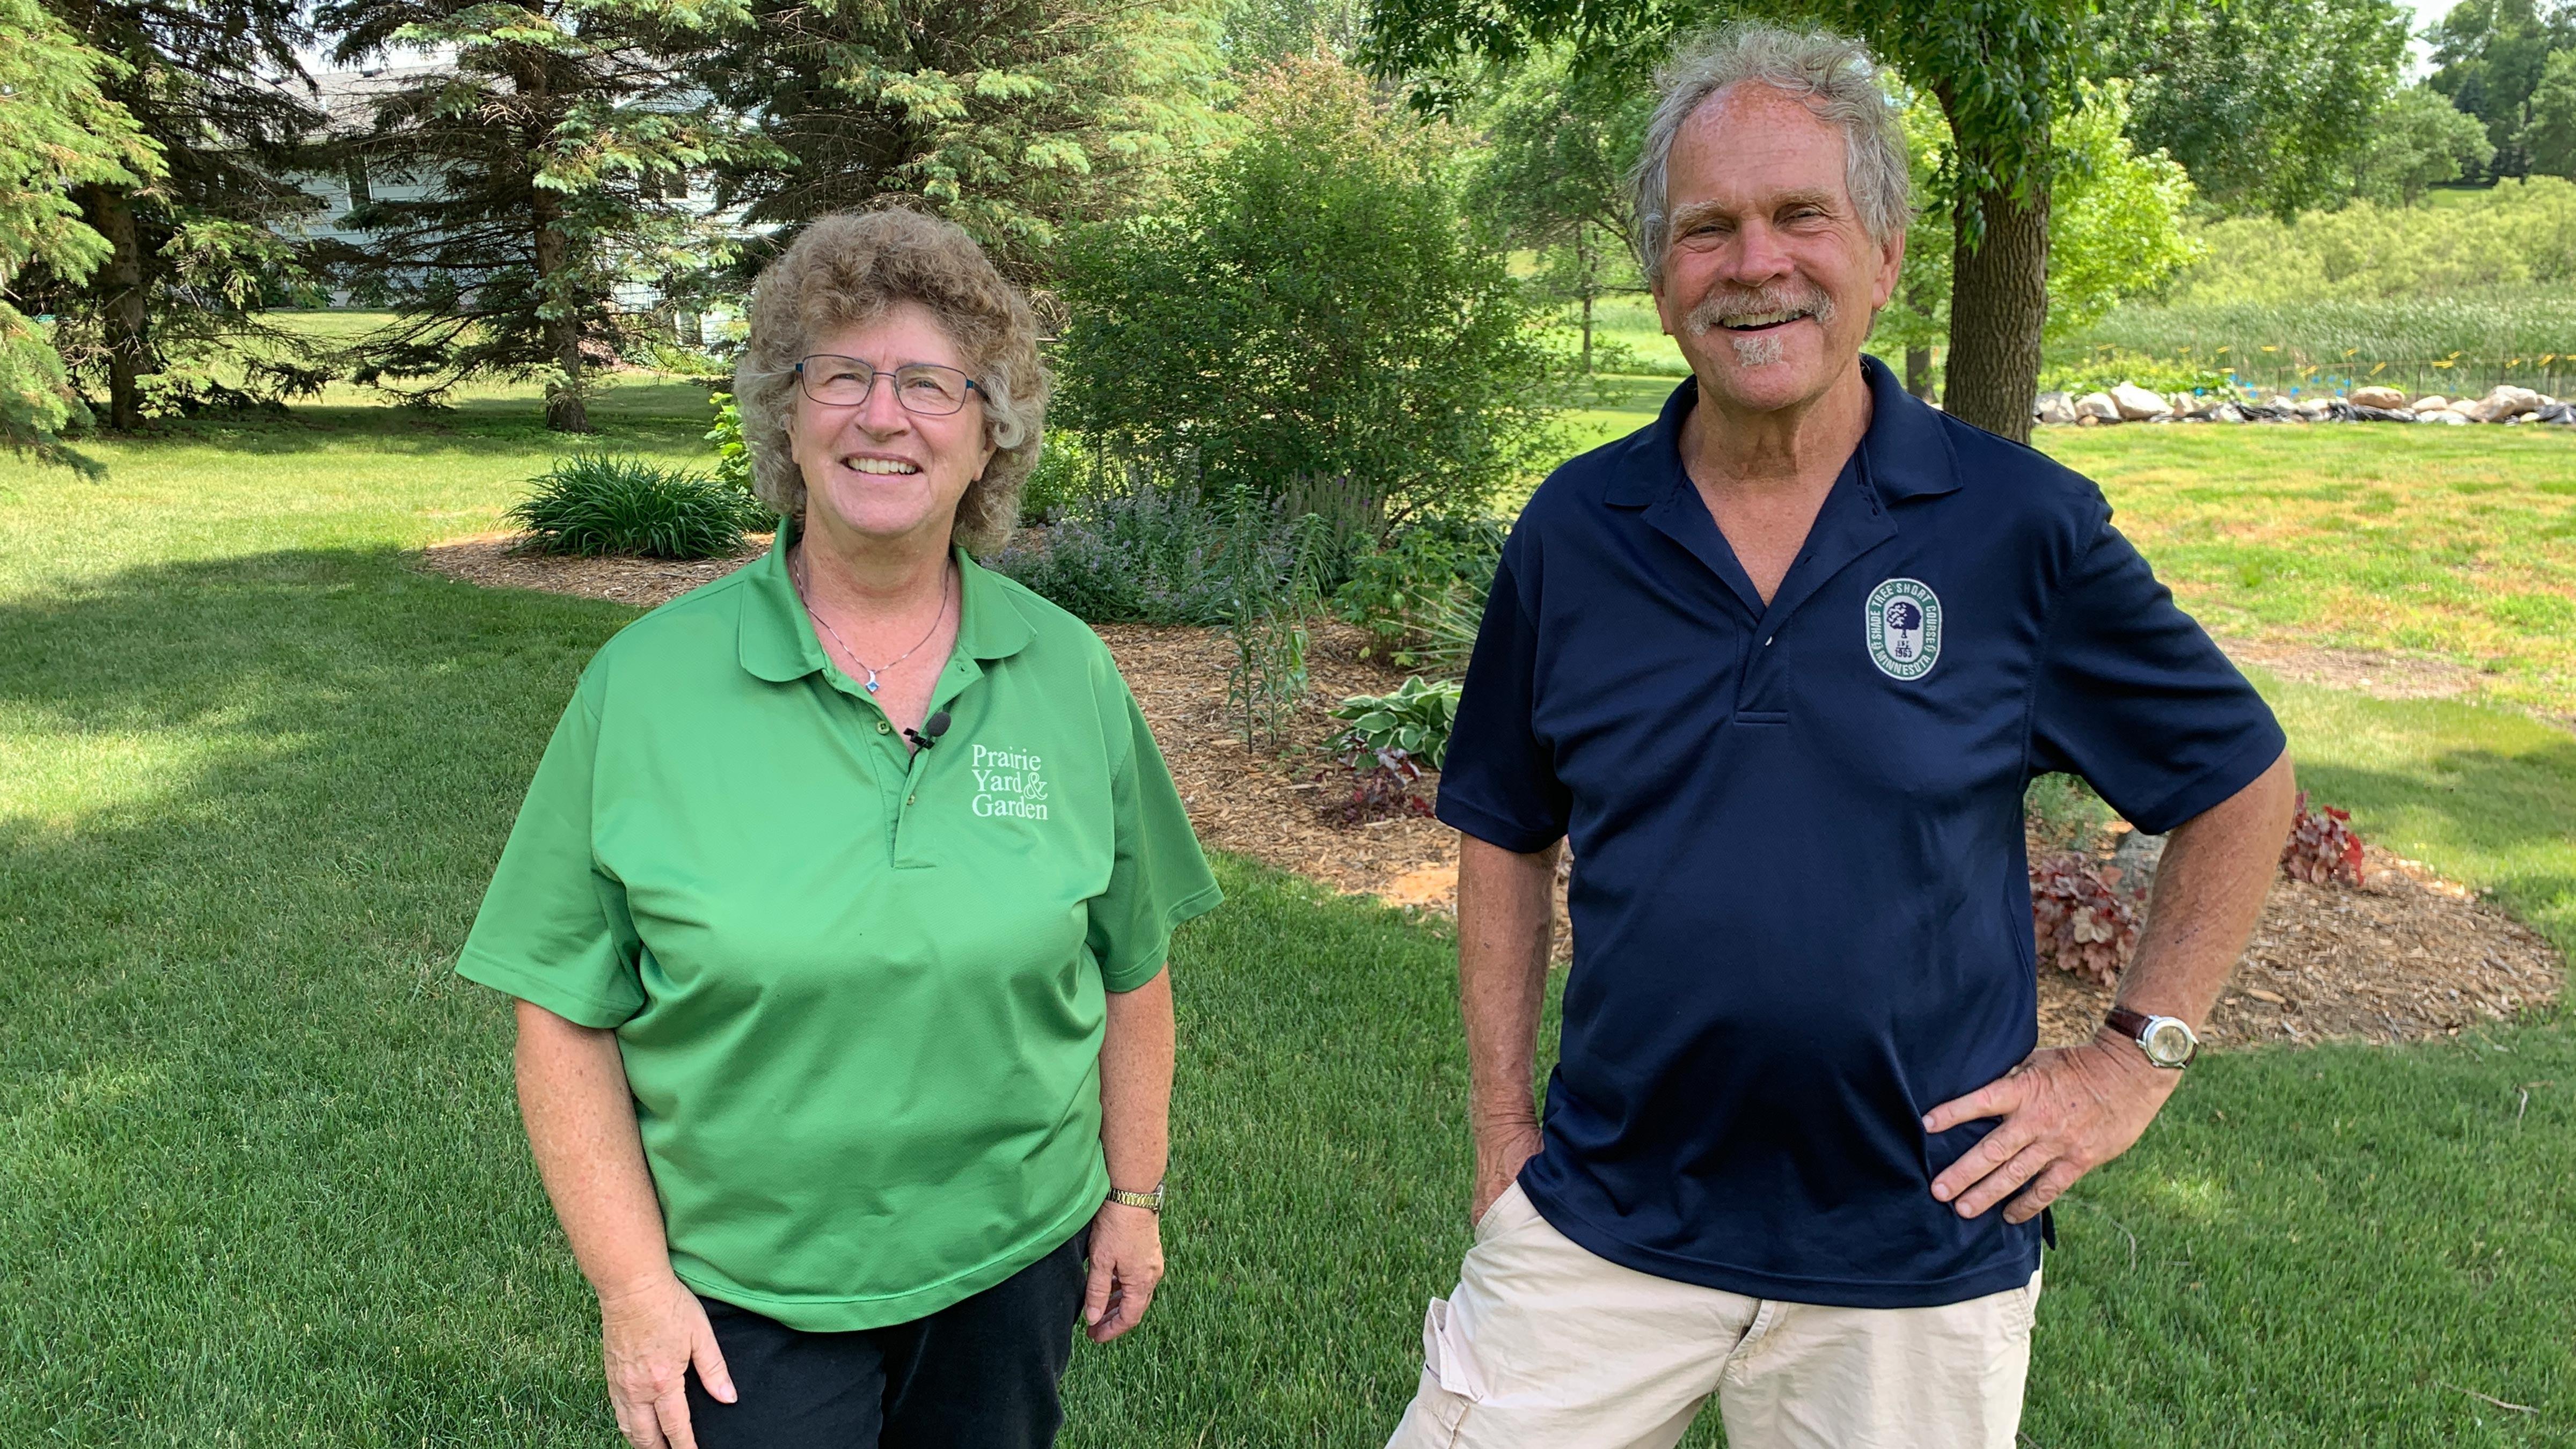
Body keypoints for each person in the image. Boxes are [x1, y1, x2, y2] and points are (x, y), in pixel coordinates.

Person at [1386, 24, 2296, 1449]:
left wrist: (2133, 1059)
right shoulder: (1577, 529)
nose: (1754, 263)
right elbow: (1504, 823)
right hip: (1605, 1217)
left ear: (1882, 250)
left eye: (1800, 214)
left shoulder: (2020, 528)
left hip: (1915, 1251)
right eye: (1708, 229)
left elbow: (2240, 781)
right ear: (1660, 273)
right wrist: (1504, 1132)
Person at [455, 208, 1223, 1449]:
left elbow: (1132, 965)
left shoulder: (1068, 673)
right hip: (743, 1283)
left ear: (990, 433)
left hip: (1012, 1257)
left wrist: (1132, 1194)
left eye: (931, 384)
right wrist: (635, 1287)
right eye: (843, 377)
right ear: (785, 417)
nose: (883, 417)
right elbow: (557, 1010)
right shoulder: (647, 687)